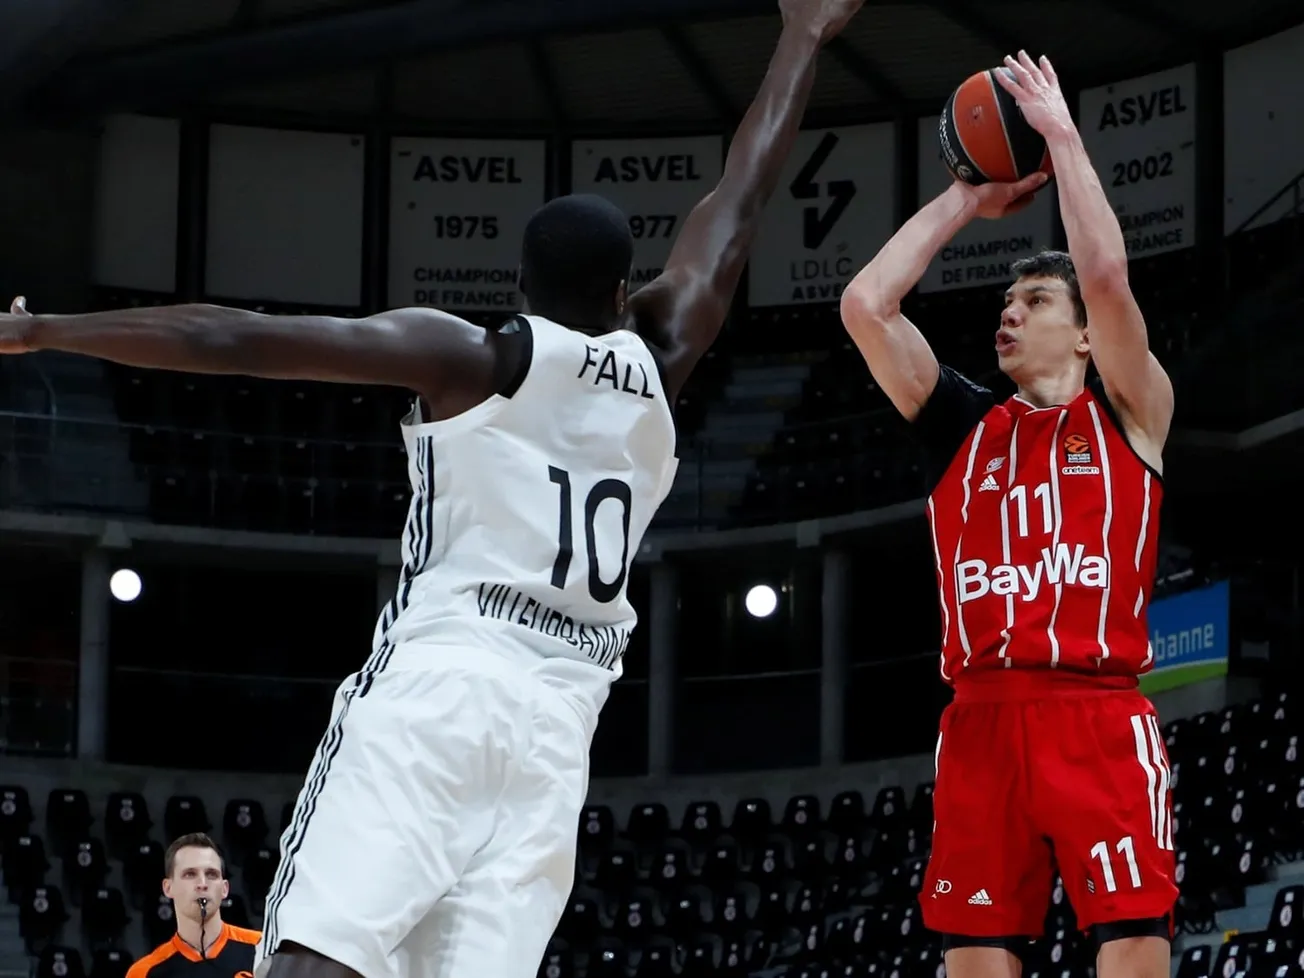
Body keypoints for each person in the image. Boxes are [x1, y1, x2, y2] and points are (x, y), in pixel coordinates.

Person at [0, 2, 865, 975]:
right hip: (556, 737)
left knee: (313, 960)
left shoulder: (473, 359)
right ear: (623, 291)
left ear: (520, 287)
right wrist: (803, 34)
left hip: (444, 685)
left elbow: (232, 337)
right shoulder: (662, 357)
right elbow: (738, 202)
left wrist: (43, 331)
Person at [839, 52, 1177, 978]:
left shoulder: (1129, 411)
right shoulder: (964, 427)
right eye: (1006, 301)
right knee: (976, 955)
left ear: (1083, 334)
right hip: (982, 720)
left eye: (1034, 301)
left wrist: (1060, 136)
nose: (1011, 314)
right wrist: (965, 199)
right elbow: (866, 305)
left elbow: (1105, 273)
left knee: (1133, 944)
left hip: (1096, 712)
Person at [127, 834, 261, 978]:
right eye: (190, 874)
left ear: (225, 889)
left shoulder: (264, 949)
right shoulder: (144, 972)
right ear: (168, 888)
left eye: (211, 874)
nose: (202, 884)